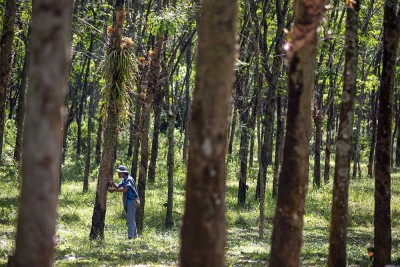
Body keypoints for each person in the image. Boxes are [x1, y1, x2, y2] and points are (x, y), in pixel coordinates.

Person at [108, 165, 139, 239]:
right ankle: (135, 236)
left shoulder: (129, 179)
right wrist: (112, 183)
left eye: (119, 172)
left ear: (124, 173)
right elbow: (118, 186)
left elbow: (125, 190)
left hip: (132, 201)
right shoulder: (124, 179)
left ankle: (130, 237)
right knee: (132, 219)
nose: (118, 174)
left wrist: (114, 190)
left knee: (130, 220)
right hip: (128, 202)